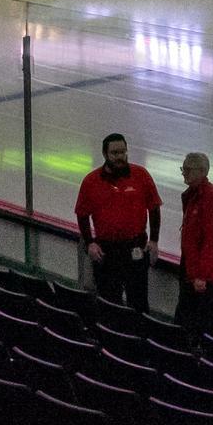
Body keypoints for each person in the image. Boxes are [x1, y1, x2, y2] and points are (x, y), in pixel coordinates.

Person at [75, 133, 161, 313]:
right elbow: (82, 214)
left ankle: (139, 337)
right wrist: (90, 243)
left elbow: (154, 208)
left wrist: (153, 240)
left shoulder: (141, 175)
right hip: (107, 251)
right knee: (108, 301)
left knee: (138, 301)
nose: (120, 156)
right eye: (115, 153)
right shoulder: (91, 181)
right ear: (105, 154)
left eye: (123, 152)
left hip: (135, 248)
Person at [175, 152, 213, 338]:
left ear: (202, 171)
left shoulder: (209, 198)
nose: (184, 173)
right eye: (183, 168)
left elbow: (211, 239)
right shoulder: (193, 196)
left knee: (203, 327)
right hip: (193, 272)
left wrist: (202, 275)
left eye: (188, 169)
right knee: (185, 324)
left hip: (206, 278)